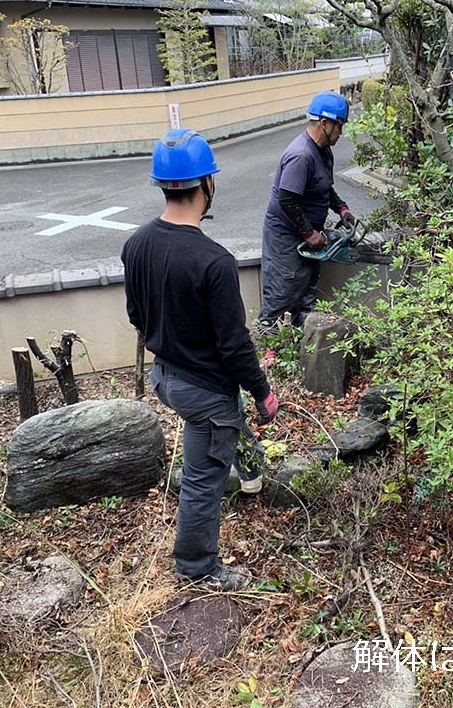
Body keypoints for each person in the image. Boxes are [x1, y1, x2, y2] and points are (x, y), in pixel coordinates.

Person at [121, 128, 279, 592]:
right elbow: (234, 346)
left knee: (221, 428)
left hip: (165, 378)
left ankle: (250, 472)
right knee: (202, 479)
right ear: (206, 183)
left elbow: (136, 315)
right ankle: (197, 566)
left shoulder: (137, 244)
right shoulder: (214, 262)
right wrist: (264, 391)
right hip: (204, 390)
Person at [258, 90, 357, 329]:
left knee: (306, 291)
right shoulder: (301, 155)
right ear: (324, 123)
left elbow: (323, 187)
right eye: (339, 126)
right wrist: (311, 234)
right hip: (285, 236)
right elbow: (287, 200)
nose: (341, 132)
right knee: (283, 292)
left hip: (306, 231)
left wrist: (341, 209)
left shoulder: (324, 151)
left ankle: (303, 345)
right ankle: (267, 347)